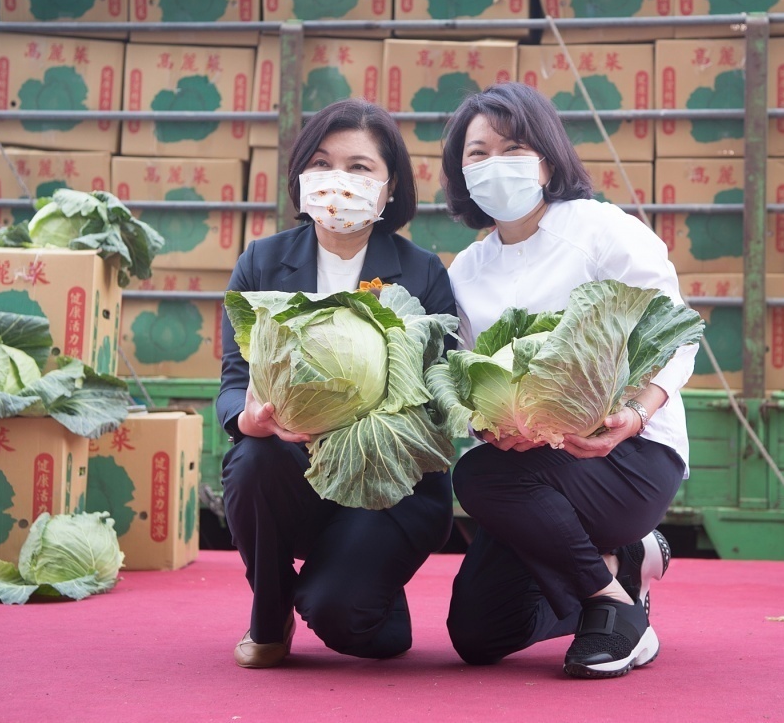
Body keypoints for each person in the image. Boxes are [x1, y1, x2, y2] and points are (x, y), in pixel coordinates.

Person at [439, 82, 696, 679]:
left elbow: (677, 332)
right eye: (476, 153)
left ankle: (615, 606)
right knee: (478, 635)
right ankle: (621, 564)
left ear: (547, 159)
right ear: (459, 171)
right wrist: (487, 425)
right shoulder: (469, 269)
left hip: (627, 454)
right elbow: (466, 377)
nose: (493, 164)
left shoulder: (603, 232)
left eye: (512, 147)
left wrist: (635, 410)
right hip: (528, 471)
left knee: (477, 476)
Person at [216, 99, 457, 669]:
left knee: (352, 623)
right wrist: (248, 418)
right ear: (301, 176)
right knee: (254, 459)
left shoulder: (423, 272)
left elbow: (439, 397)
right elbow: (232, 382)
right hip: (294, 471)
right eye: (322, 164)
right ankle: (268, 614)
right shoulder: (262, 262)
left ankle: (355, 581)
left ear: (390, 186)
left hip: (391, 481)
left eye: (359, 168)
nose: (338, 182)